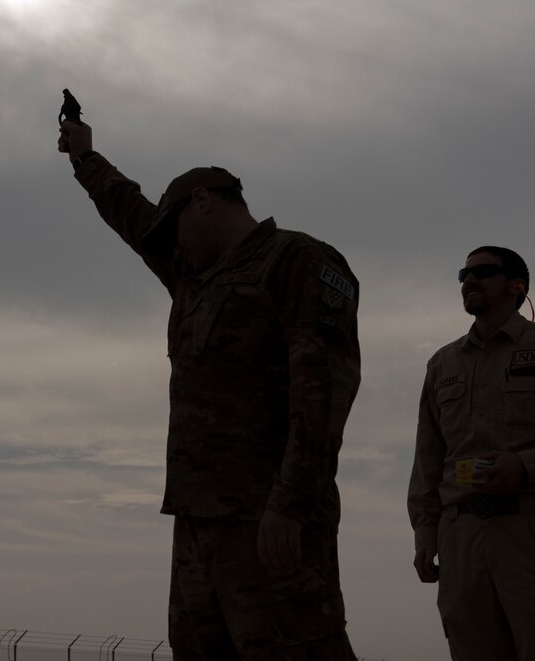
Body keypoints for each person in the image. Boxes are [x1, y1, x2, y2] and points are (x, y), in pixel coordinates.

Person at [58, 119, 362, 660]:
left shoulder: (297, 261)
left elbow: (323, 393)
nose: (169, 248)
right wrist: (85, 159)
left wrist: (290, 505)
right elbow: (134, 217)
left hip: (268, 521)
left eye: (173, 231)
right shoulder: (195, 279)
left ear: (202, 202)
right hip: (197, 525)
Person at [407, 246, 535, 661]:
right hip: (459, 536)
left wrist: (525, 466)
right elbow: (428, 459)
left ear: (516, 286)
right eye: (462, 275)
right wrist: (425, 534)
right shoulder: (442, 363)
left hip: (531, 528)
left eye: (483, 272)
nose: (468, 281)